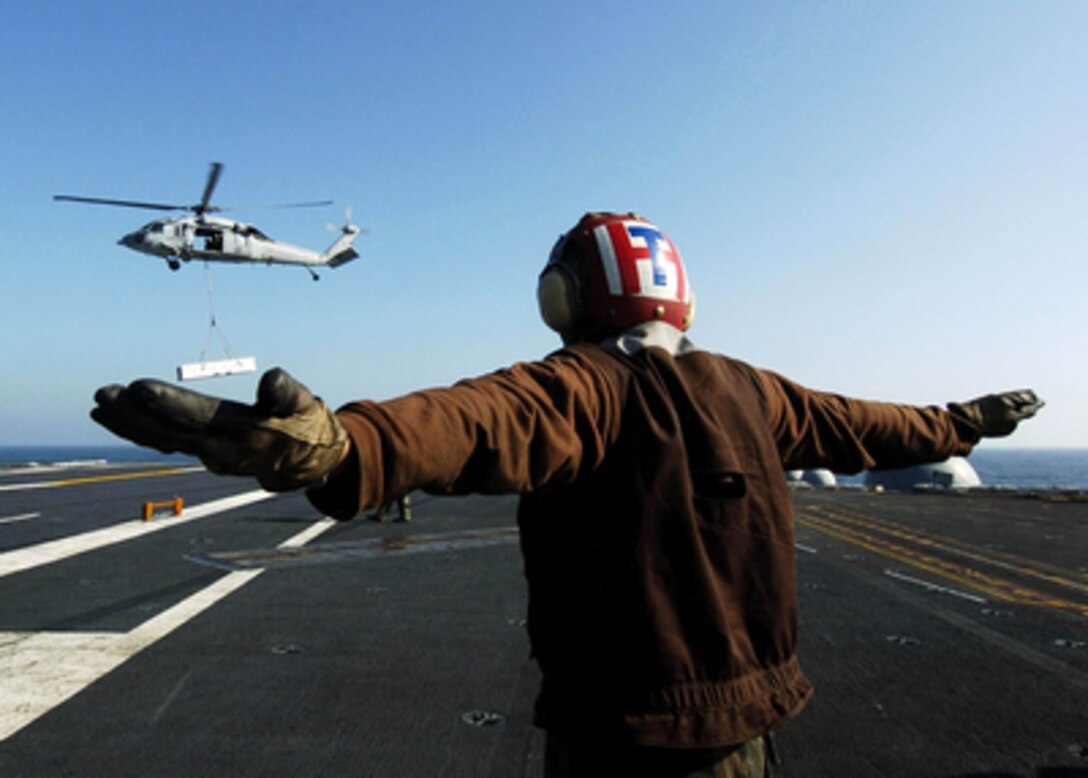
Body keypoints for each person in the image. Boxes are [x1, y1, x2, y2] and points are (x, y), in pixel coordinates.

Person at [91, 212, 1042, 777]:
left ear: (566, 298)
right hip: (754, 731)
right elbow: (877, 426)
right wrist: (965, 418)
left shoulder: (581, 385)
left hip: (624, 740)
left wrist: (342, 448)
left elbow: (468, 421)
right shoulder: (756, 390)